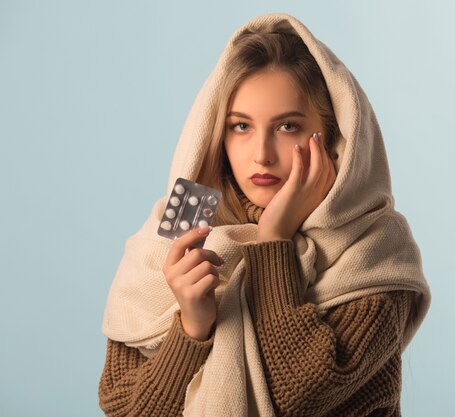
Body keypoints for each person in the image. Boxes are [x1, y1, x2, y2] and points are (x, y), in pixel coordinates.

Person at [99, 13, 431, 417]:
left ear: (331, 135)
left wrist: (273, 239)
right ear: (216, 135)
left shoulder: (375, 246)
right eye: (240, 126)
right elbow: (124, 410)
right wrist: (191, 327)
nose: (261, 154)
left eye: (287, 126)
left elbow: (301, 393)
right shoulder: (178, 231)